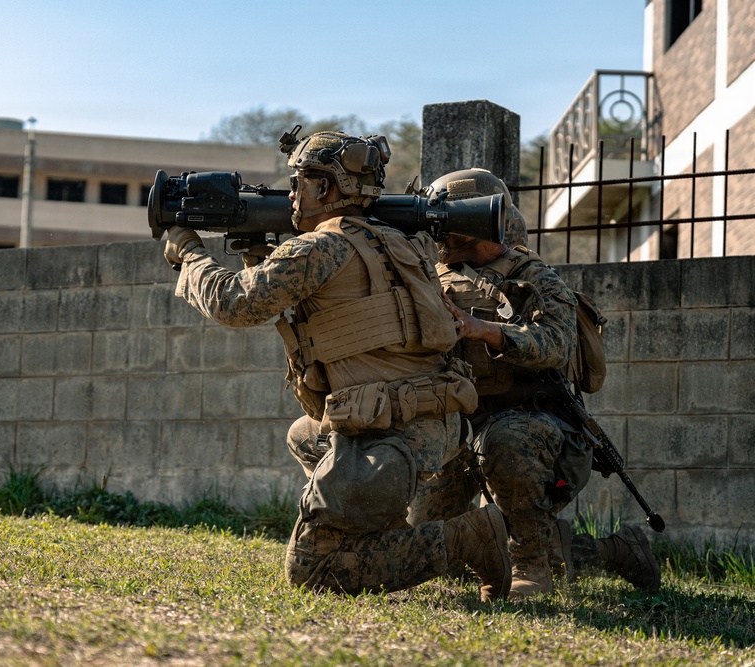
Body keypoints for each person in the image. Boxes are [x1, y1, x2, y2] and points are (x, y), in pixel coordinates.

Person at [161, 130, 511, 601]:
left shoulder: (319, 249)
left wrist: (188, 251)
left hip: (390, 436)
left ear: (323, 190)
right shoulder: (403, 241)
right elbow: (353, 299)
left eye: (299, 182)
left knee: (313, 571)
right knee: (305, 435)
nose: (290, 195)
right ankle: (377, 521)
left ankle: (469, 539)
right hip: (437, 422)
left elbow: (235, 303)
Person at [422, 168, 660, 598]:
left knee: (506, 442)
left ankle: (530, 566)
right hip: (460, 424)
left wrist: (486, 330)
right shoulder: (431, 278)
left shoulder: (534, 276)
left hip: (536, 426)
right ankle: (617, 550)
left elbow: (554, 345)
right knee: (444, 552)